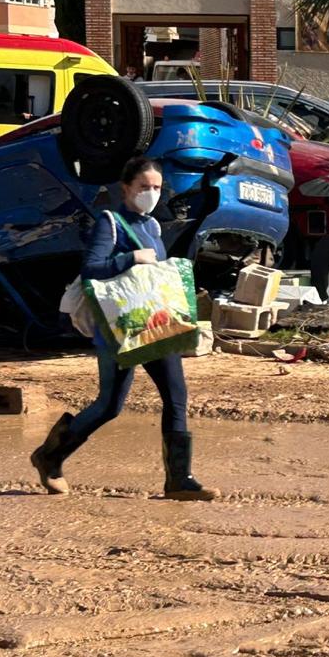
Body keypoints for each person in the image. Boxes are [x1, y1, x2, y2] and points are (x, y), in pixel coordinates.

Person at [29, 156, 215, 502]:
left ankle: (180, 479)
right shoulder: (110, 223)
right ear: (126, 187)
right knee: (110, 405)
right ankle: (49, 456)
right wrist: (130, 258)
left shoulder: (153, 227)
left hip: (155, 324)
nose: (151, 193)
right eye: (144, 187)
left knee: (176, 396)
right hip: (119, 327)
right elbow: (91, 271)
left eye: (157, 187)